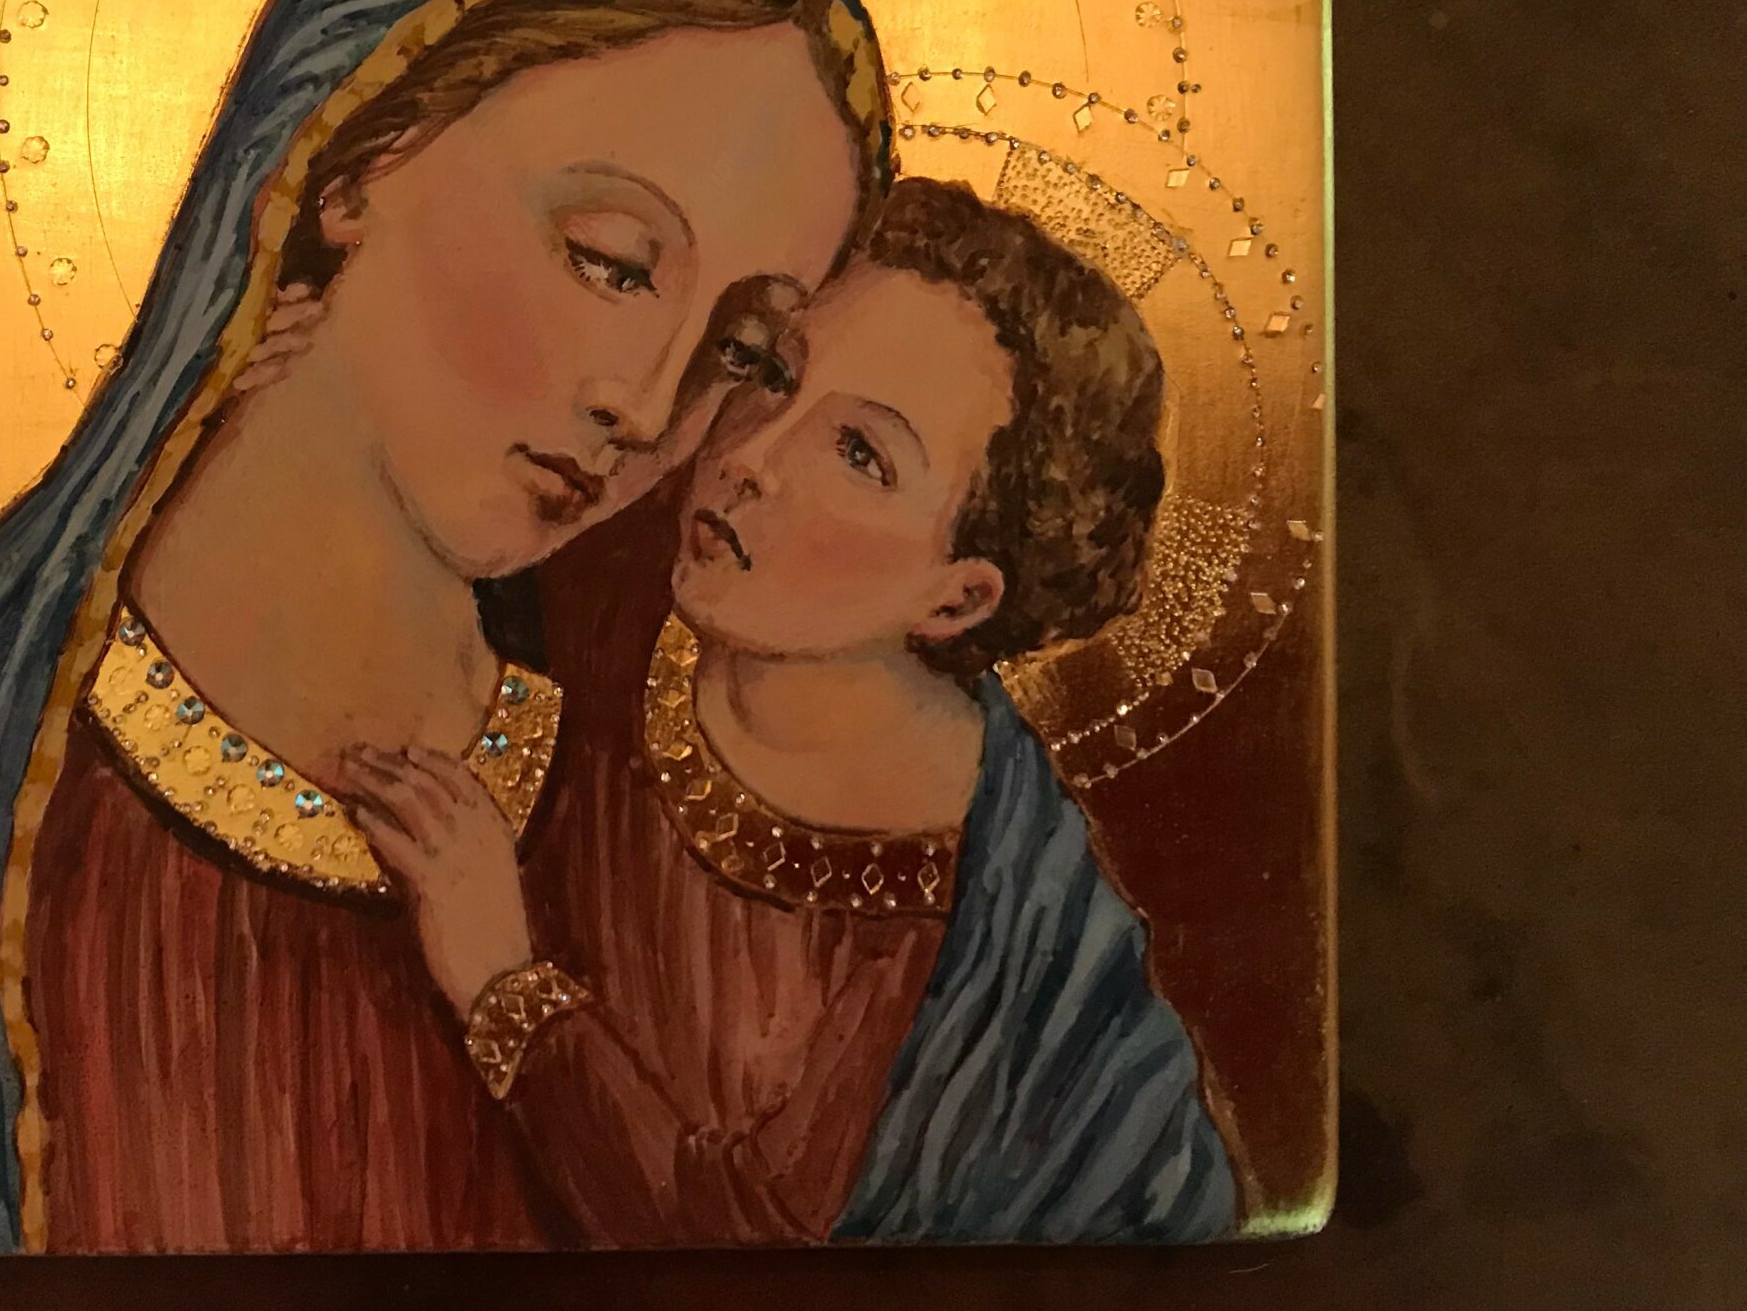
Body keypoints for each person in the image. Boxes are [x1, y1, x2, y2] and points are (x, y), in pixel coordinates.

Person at [0, 0, 894, 1253]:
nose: (647, 405)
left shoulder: (666, 801)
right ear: (351, 161)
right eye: (612, 261)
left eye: (741, 347)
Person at [343, 174, 1239, 1246]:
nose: (752, 456)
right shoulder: (614, 563)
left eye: (859, 453)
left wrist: (503, 982)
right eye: (775, 375)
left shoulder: (943, 946)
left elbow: (742, 1259)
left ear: (957, 597)